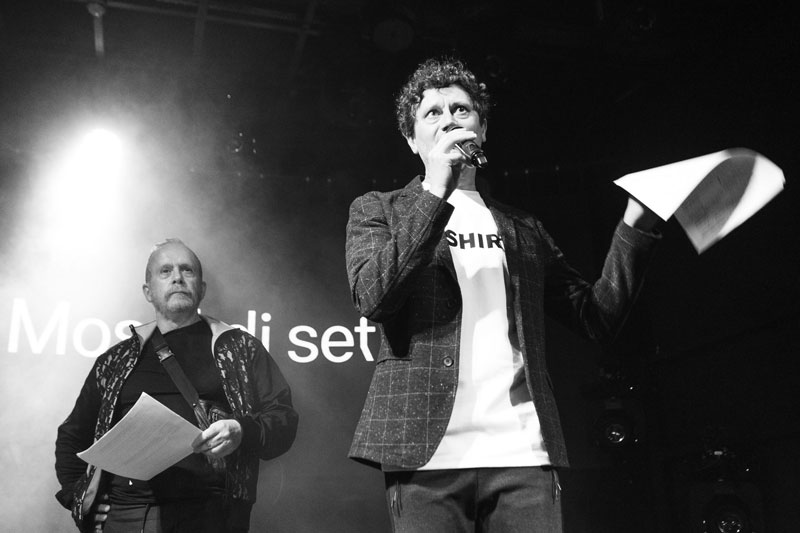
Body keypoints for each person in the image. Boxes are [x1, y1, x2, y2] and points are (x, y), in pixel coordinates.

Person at [344, 57, 662, 532]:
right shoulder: (379, 209)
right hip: (425, 454)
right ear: (412, 139)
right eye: (432, 113)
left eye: (462, 109)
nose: (449, 119)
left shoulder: (522, 226)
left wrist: (636, 225)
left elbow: (595, 316)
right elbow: (375, 297)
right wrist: (435, 191)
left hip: (522, 451)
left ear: (483, 128)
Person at [55, 239, 298, 532]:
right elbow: (71, 436)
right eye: (165, 271)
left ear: (202, 289)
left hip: (210, 514)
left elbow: (283, 418)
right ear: (148, 291)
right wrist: (80, 498)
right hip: (125, 514)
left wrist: (241, 430)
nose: (177, 278)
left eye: (187, 270)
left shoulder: (240, 348)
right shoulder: (115, 360)